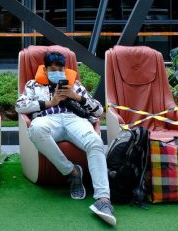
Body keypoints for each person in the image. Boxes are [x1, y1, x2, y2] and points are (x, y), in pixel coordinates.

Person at [15, 51, 116, 226]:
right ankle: (72, 172)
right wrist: (50, 103)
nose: (58, 73)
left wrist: (75, 96)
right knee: (36, 129)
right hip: (47, 119)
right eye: (53, 69)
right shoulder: (33, 85)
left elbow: (99, 110)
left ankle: (103, 199)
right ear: (45, 70)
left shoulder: (74, 85)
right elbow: (19, 106)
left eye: (61, 69)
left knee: (95, 142)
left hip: (74, 119)